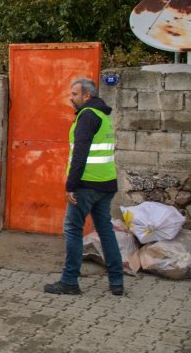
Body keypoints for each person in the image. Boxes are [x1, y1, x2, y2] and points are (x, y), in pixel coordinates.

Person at [44, 78, 124, 296]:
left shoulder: (87, 116)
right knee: (105, 230)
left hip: (86, 184)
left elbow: (80, 153)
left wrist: (71, 185)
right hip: (106, 183)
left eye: (74, 94)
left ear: (86, 96)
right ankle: (117, 281)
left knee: (72, 230)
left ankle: (70, 281)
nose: (71, 98)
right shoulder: (103, 115)